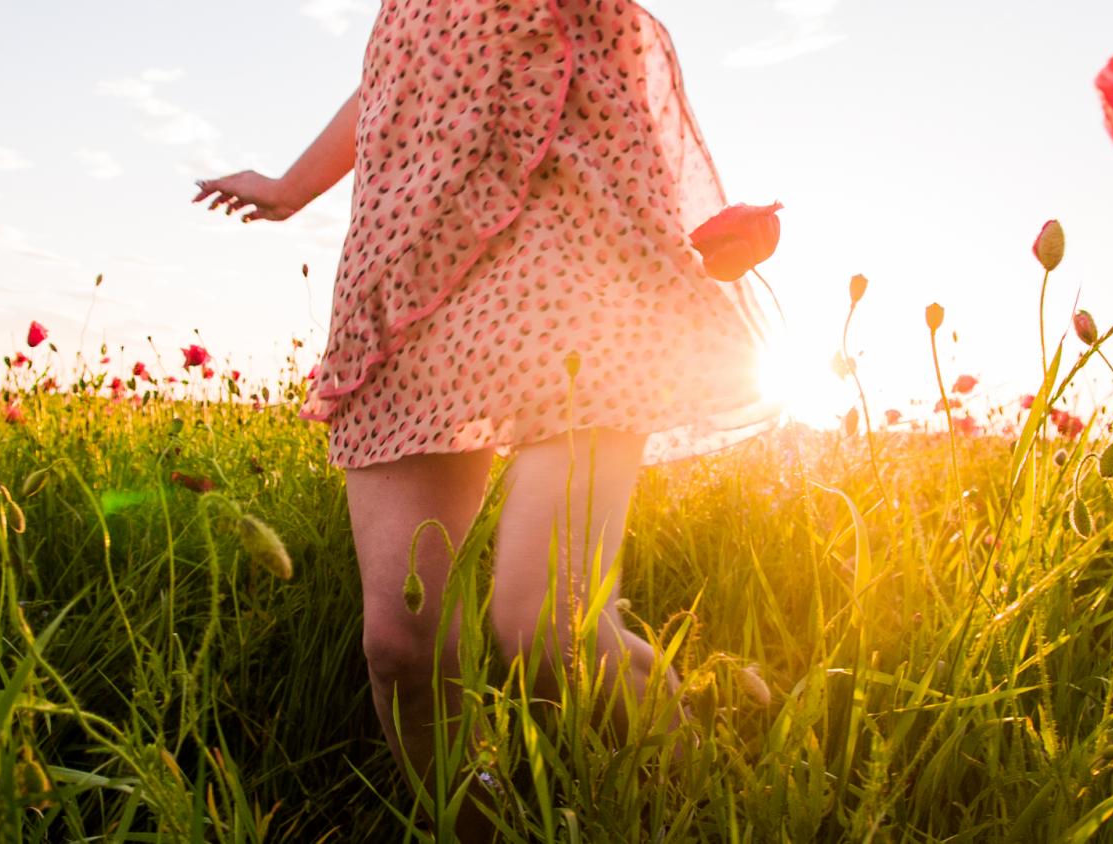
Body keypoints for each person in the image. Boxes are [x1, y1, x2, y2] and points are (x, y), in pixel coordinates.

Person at [193, 0, 779, 836]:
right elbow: (404, 61)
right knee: (403, 646)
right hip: (412, 254)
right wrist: (292, 185)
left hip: (576, 243)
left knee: (547, 629)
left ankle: (708, 815)